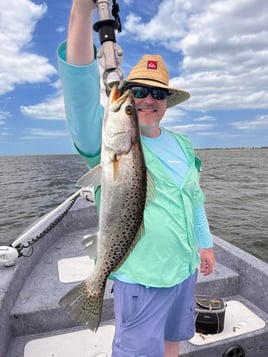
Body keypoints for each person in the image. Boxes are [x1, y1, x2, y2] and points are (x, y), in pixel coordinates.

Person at [57, 1, 215, 356]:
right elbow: (81, 98)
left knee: (173, 342)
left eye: (157, 93)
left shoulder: (182, 144)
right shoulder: (107, 145)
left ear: (167, 102)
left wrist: (204, 245)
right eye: (138, 93)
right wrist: (81, 13)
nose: (146, 100)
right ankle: (96, 286)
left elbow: (193, 200)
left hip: (183, 271)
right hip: (141, 278)